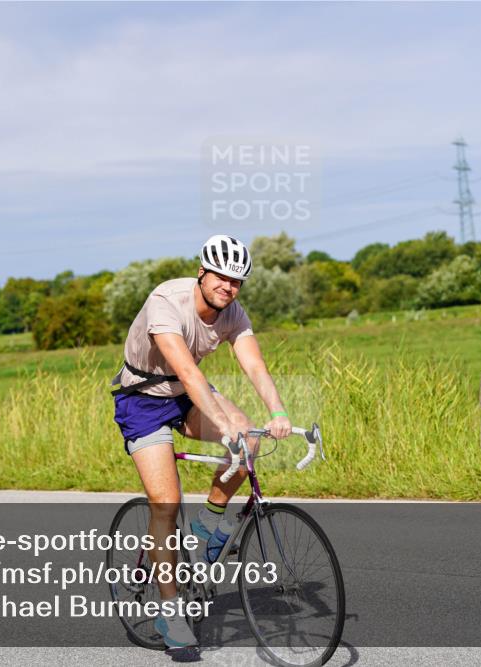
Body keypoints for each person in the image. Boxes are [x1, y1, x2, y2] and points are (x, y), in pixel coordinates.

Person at [111, 234, 292, 658]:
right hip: (143, 400)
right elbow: (188, 372)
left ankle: (208, 524)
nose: (228, 287)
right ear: (201, 272)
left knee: (249, 438)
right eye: (221, 277)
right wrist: (220, 421)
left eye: (237, 281)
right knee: (166, 502)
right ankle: (170, 610)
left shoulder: (233, 312)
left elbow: (254, 364)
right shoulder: (166, 301)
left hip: (185, 393)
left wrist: (278, 412)